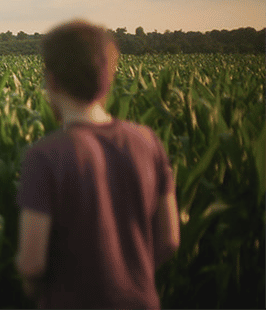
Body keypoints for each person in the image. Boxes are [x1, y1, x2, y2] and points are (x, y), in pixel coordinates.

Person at [16, 19, 180, 308]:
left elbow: (31, 263)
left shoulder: (46, 156)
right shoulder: (148, 142)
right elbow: (169, 239)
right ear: (107, 78)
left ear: (51, 80)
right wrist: (129, 279)